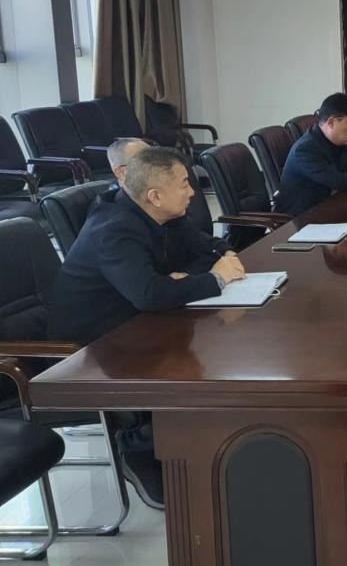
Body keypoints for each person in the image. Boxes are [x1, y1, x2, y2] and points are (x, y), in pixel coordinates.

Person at [48, 146, 248, 509]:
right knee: (190, 364)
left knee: (216, 348)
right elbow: (150, 294)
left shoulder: (165, 214)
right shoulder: (115, 229)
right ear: (154, 195)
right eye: (184, 183)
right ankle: (139, 446)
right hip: (88, 346)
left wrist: (217, 260)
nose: (193, 192)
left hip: (133, 322)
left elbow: (205, 247)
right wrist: (214, 279)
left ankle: (198, 445)